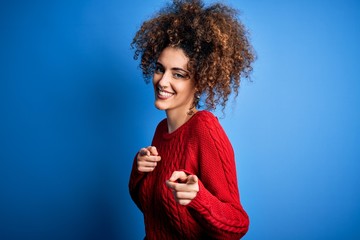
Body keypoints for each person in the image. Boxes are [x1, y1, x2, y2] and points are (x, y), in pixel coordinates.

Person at [129, 0, 255, 239]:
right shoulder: (161, 130)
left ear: (199, 81)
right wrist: (138, 171)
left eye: (178, 74)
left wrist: (198, 197)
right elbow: (151, 208)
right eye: (159, 69)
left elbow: (238, 224)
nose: (162, 81)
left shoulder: (204, 129)